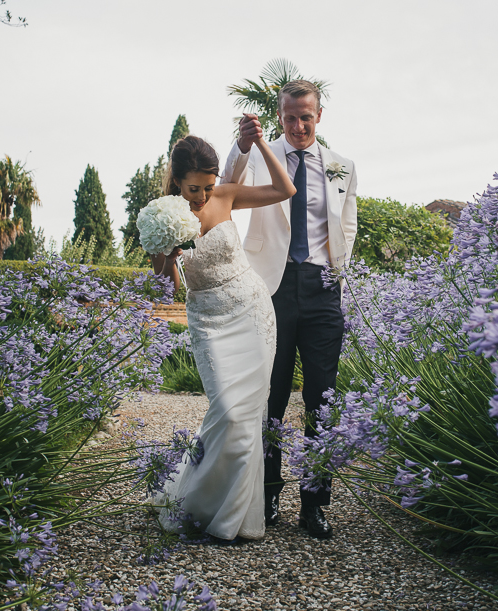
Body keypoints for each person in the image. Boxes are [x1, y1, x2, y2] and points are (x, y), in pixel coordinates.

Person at [222, 79, 358, 539]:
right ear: (279, 116)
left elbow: (348, 221)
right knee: (271, 398)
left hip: (322, 289)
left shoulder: (342, 166)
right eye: (290, 118)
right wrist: (242, 147)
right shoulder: (262, 154)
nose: (298, 126)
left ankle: (315, 503)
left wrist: (338, 267)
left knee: (323, 400)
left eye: (306, 117)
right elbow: (228, 186)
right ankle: (269, 492)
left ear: (319, 116)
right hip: (272, 288)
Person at [151, 134, 296, 542]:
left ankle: (236, 518)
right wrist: (169, 254)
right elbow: (166, 286)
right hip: (209, 321)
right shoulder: (160, 216)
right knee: (228, 411)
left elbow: (285, 189)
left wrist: (264, 143)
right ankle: (194, 502)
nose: (201, 197)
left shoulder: (227, 197)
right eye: (193, 188)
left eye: (208, 187)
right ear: (177, 181)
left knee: (249, 414)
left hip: (252, 310)